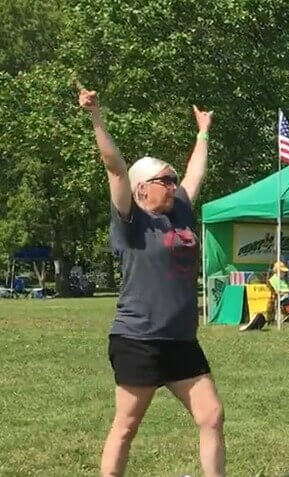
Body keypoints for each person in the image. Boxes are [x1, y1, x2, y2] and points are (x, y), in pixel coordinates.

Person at [79, 87, 225, 477]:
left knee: (211, 416)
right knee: (126, 427)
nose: (174, 184)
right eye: (166, 179)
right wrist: (96, 117)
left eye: (173, 178)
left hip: (180, 340)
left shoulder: (178, 213)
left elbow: (196, 173)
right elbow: (113, 167)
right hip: (138, 340)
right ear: (142, 186)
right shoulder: (131, 221)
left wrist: (203, 133)